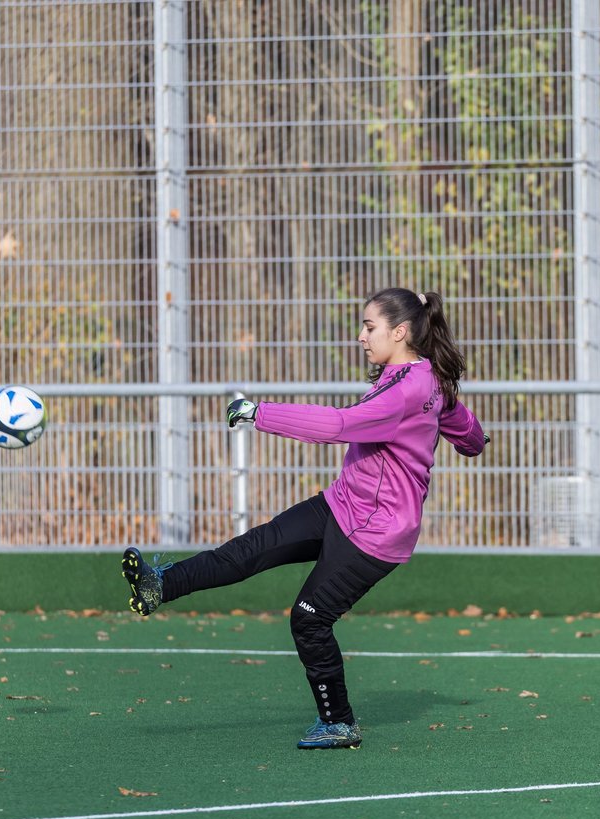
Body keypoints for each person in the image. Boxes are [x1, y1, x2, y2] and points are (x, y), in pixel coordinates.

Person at [120, 288, 488, 748]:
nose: (360, 336)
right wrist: (474, 440)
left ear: (400, 331)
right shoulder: (421, 378)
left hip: (377, 532)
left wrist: (260, 414)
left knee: (310, 618)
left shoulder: (407, 388)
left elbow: (337, 425)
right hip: (342, 504)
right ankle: (161, 585)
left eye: (369, 327)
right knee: (249, 549)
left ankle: (338, 722)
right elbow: (460, 422)